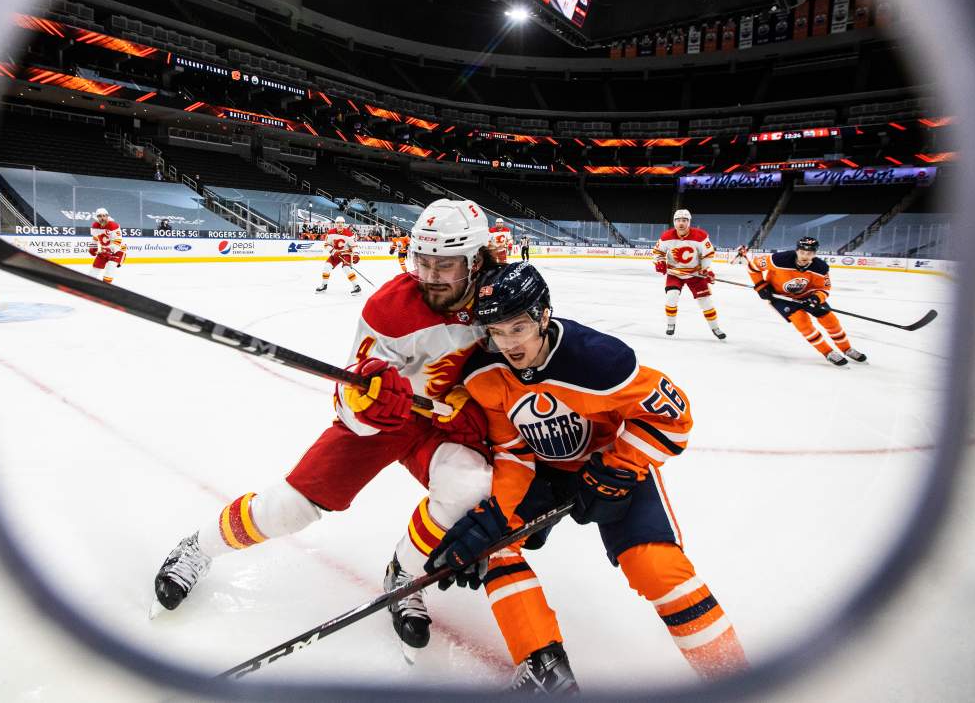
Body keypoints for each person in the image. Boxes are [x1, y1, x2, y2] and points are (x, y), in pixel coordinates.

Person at [153, 199, 500, 659]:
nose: (432, 276)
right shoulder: (390, 309)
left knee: (472, 485)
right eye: (424, 262)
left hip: (451, 422)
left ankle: (405, 572)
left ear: (477, 261)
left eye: (447, 265)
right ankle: (199, 546)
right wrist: (366, 401)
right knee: (288, 510)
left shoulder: (505, 296)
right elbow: (349, 397)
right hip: (390, 421)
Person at [426, 263, 748, 691]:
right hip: (545, 472)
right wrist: (499, 513)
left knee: (655, 566)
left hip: (609, 461)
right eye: (496, 332)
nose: (507, 344)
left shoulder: (596, 361)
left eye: (517, 327)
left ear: (543, 315)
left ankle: (734, 679)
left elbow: (673, 418)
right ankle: (544, 668)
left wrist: (618, 469)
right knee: (495, 546)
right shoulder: (487, 376)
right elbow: (514, 450)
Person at [747, 237, 867, 366]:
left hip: (808, 296)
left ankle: (846, 348)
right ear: (797, 251)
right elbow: (752, 266)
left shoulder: (820, 267)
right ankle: (828, 352)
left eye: (809, 253)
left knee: (830, 319)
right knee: (802, 322)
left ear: (814, 254)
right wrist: (760, 286)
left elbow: (824, 289)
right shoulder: (778, 259)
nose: (805, 256)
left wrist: (815, 298)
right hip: (781, 297)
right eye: (802, 252)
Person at [652, 209, 725, 339]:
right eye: (678, 220)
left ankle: (715, 328)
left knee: (706, 302)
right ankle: (670, 324)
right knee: (671, 297)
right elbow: (658, 252)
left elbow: (708, 254)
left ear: (689, 222)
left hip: (695, 274)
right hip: (674, 273)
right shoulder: (666, 237)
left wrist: (706, 269)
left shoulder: (700, 236)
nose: (681, 223)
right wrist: (660, 262)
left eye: (684, 220)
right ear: (674, 222)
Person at [315, 216, 362, 295]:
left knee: (346, 268)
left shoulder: (349, 234)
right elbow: (327, 245)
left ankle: (356, 286)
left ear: (344, 224)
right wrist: (333, 251)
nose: (340, 225)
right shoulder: (330, 232)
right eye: (338, 223)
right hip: (336, 254)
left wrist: (356, 255)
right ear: (335, 224)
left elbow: (354, 246)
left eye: (342, 223)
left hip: (346, 254)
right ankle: (324, 286)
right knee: (327, 266)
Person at [89, 207, 125, 284]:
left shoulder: (113, 225)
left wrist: (109, 249)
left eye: (104, 216)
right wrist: (93, 247)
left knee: (110, 269)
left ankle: (106, 287)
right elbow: (95, 238)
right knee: (94, 269)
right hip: (104, 250)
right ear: (96, 217)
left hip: (118, 251)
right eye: (100, 216)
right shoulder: (95, 225)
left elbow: (118, 241)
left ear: (107, 216)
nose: (102, 218)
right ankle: (89, 284)